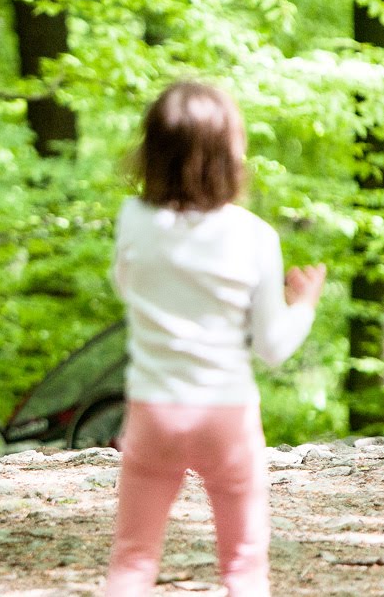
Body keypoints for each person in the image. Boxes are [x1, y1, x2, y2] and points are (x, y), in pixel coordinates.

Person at [104, 81, 327, 596]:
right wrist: (304, 306)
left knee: (134, 559)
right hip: (226, 414)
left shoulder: (133, 220)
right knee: (244, 567)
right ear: (231, 156)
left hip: (154, 411)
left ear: (152, 152)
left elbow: (125, 284)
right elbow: (272, 347)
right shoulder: (254, 237)